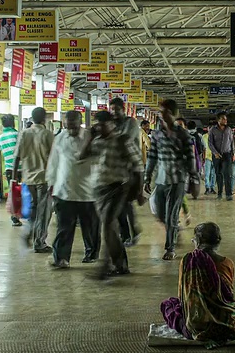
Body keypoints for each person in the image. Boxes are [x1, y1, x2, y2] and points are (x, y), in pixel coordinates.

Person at [160, 222, 235, 347]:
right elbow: (227, 297)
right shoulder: (227, 263)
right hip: (229, 327)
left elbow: (181, 297)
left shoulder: (187, 261)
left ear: (198, 241)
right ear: (218, 241)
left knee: (168, 305)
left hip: (196, 328)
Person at [83, 110, 143, 279]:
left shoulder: (123, 140)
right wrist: (89, 136)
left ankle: (104, 266)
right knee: (110, 229)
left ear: (112, 124)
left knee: (108, 225)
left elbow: (138, 166)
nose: (100, 128)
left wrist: (138, 191)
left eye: (103, 125)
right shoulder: (97, 141)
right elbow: (82, 155)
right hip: (99, 190)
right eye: (98, 125)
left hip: (118, 188)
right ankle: (121, 265)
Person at [47, 111, 100, 268]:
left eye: (74, 125)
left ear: (80, 122)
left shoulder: (90, 137)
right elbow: (53, 162)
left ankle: (91, 254)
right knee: (64, 227)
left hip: (88, 192)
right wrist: (51, 183)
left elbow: (98, 160)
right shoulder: (59, 138)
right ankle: (61, 258)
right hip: (65, 190)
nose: (70, 128)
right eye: (67, 125)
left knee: (90, 227)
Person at [145, 99, 196, 260]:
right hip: (160, 180)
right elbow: (152, 156)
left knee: (172, 215)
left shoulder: (183, 134)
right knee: (160, 213)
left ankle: (170, 248)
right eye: (160, 111)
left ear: (173, 114)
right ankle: (175, 231)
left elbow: (190, 158)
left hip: (177, 179)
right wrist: (147, 177)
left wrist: (194, 178)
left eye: (164, 111)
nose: (161, 114)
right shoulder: (157, 134)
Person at [13, 107, 55, 253]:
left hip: (28, 178)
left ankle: (29, 231)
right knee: (44, 212)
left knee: (33, 209)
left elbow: (16, 157)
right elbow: (54, 158)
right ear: (44, 119)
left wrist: (13, 178)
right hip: (44, 178)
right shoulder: (47, 134)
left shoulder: (24, 133)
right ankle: (40, 242)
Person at [111, 98, 142, 247]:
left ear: (123, 109)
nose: (114, 112)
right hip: (116, 169)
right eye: (112, 110)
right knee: (121, 204)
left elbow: (125, 139)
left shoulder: (131, 123)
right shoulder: (113, 124)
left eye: (117, 109)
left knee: (126, 203)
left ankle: (131, 232)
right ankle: (128, 233)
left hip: (131, 168)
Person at [0, 115, 22, 226]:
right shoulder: (17, 134)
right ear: (13, 123)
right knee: (25, 191)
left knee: (13, 193)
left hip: (9, 169)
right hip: (21, 168)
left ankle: (14, 217)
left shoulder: (0, 138)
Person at [208, 113, 234, 200]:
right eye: (223, 119)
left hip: (227, 154)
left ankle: (228, 194)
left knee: (227, 174)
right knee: (218, 174)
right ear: (218, 120)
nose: (225, 120)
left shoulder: (229, 129)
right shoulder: (212, 130)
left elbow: (231, 141)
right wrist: (215, 153)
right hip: (216, 155)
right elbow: (210, 143)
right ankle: (219, 193)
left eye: (226, 119)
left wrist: (233, 154)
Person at [202, 128, 216, 195]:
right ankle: (207, 188)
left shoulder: (216, 135)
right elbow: (203, 148)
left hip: (215, 157)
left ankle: (212, 187)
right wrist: (203, 157)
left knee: (213, 174)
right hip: (207, 157)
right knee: (207, 174)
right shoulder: (204, 136)